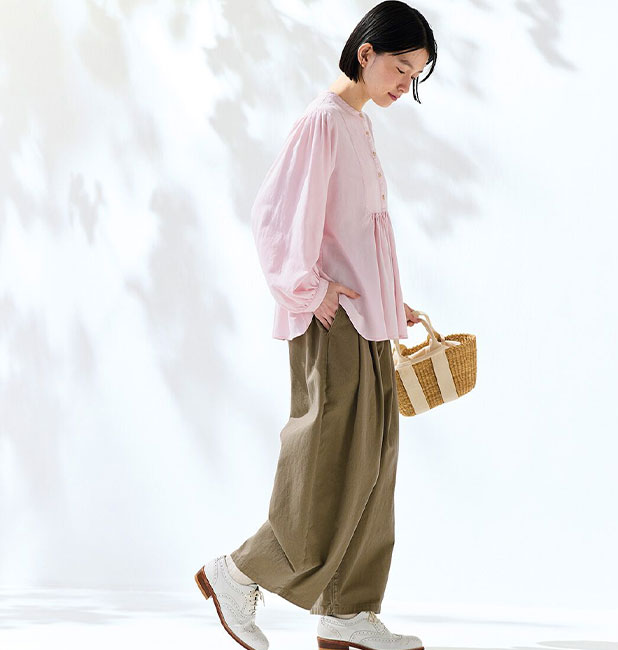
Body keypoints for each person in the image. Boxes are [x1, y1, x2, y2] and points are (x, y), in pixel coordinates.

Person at [195, 2, 437, 649]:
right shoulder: (323, 121)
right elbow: (275, 216)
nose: (404, 84)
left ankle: (348, 610)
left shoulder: (357, 123)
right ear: (366, 53)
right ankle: (238, 573)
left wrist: (392, 300)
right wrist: (309, 288)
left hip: (367, 320)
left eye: (415, 75)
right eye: (400, 68)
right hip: (332, 322)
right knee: (325, 458)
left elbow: (355, 232)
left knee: (374, 462)